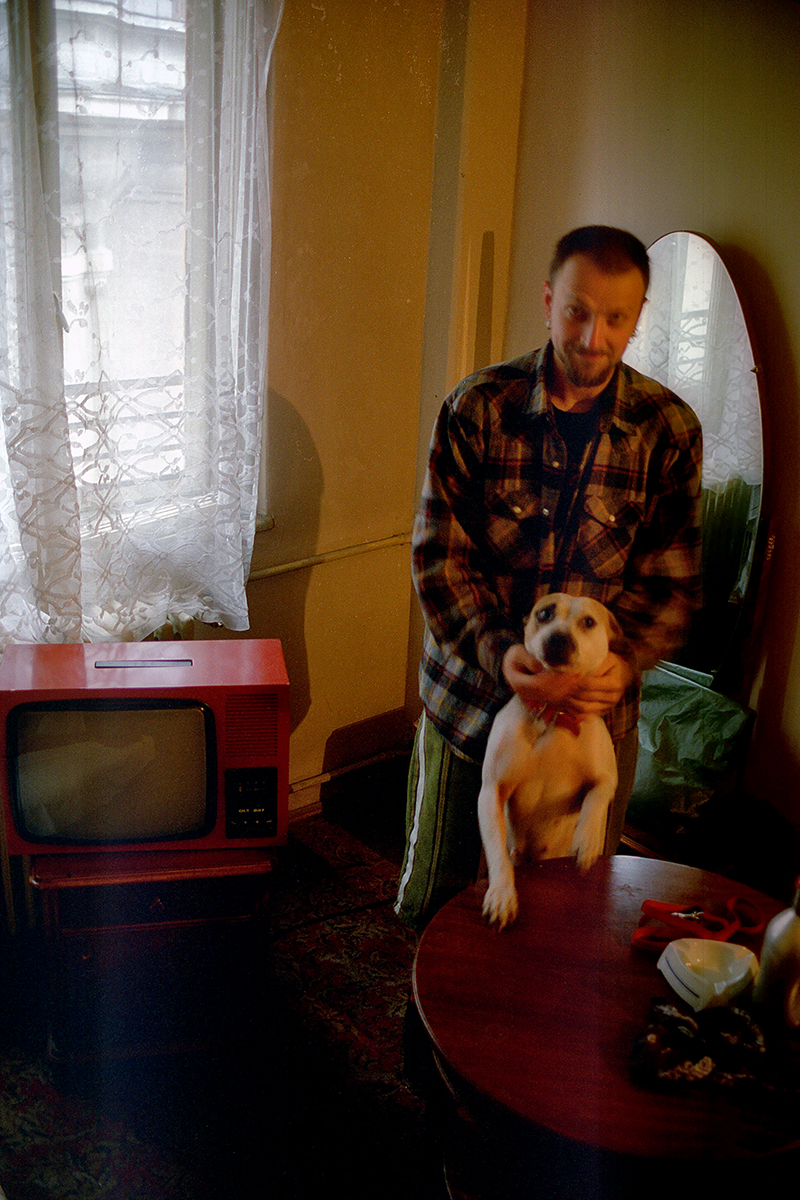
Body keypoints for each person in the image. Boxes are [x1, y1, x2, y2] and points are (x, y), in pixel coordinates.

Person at [395, 225, 703, 932]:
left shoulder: (669, 429)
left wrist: (622, 668)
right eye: (576, 310)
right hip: (471, 705)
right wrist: (501, 652)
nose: (594, 337)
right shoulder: (477, 407)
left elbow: (672, 586)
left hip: (595, 721)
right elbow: (438, 557)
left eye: (616, 317)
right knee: (438, 911)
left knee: (569, 915)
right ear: (547, 301)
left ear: (637, 317)